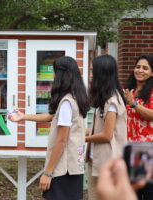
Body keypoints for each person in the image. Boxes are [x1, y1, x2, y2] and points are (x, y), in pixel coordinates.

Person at [9, 56, 89, 200]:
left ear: (61, 75)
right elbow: (50, 116)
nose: (53, 76)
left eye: (55, 72)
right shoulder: (76, 98)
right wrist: (23, 116)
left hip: (62, 169)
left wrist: (48, 173)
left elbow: (61, 141)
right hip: (75, 166)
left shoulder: (66, 103)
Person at [86, 54, 127, 200]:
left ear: (101, 74)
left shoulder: (112, 101)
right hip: (98, 160)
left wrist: (83, 138)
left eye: (93, 71)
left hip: (108, 163)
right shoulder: (105, 99)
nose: (91, 75)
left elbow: (107, 135)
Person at [124, 54, 153, 200]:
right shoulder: (129, 91)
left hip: (146, 149)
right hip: (129, 147)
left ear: (152, 72)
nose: (140, 70)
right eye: (138, 67)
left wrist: (134, 104)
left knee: (147, 193)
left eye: (145, 68)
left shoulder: (152, 92)